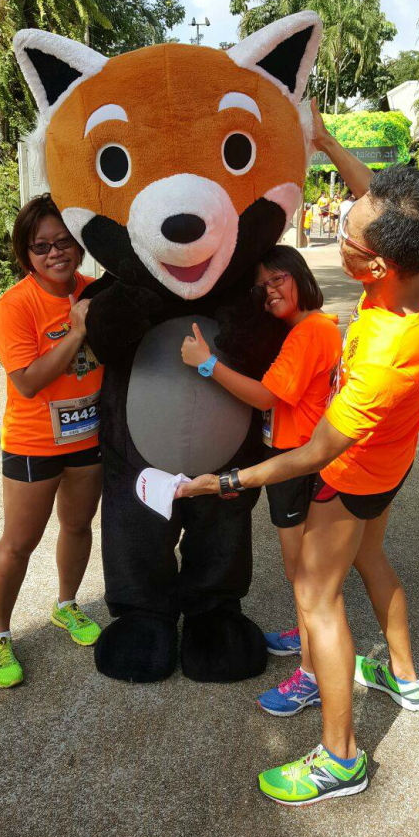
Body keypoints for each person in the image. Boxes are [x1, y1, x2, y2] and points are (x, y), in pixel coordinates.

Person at [176, 98, 419, 807]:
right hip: (396, 460)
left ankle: (340, 758)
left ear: (378, 264)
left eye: (352, 241)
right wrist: (327, 139)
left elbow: (313, 454)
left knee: (317, 596)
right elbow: (375, 200)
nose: (343, 240)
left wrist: (228, 480)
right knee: (371, 559)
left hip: (354, 470)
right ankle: (404, 674)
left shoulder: (387, 355)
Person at [181, 246, 341, 672]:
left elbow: (266, 395)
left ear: (300, 276)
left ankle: (311, 669)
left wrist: (206, 364)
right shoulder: (315, 328)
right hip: (299, 456)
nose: (269, 291)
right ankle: (305, 632)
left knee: (301, 575)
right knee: (304, 571)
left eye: (278, 279)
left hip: (297, 461)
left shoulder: (309, 333)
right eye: (262, 285)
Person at [0, 194, 104, 689]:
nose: (56, 252)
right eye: (41, 246)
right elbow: (28, 382)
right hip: (34, 444)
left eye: (64, 241)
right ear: (25, 254)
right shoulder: (15, 307)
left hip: (88, 435)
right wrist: (75, 333)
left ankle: (67, 606)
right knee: (19, 542)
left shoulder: (97, 290)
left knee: (77, 527)